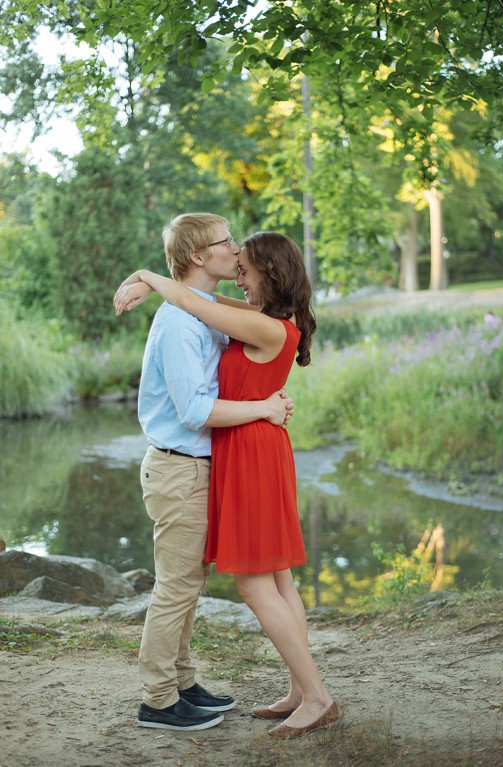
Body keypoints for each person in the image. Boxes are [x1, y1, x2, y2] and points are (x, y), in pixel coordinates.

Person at [114, 228, 338, 739]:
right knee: (269, 580)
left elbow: (203, 304)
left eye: (244, 263)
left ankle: (314, 694)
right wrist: (265, 405)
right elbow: (201, 308)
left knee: (256, 581)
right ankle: (299, 691)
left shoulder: (260, 324)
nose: (236, 259)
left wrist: (149, 277)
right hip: (231, 455)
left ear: (269, 273)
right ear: (198, 254)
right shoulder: (229, 318)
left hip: (250, 456)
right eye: (228, 246)